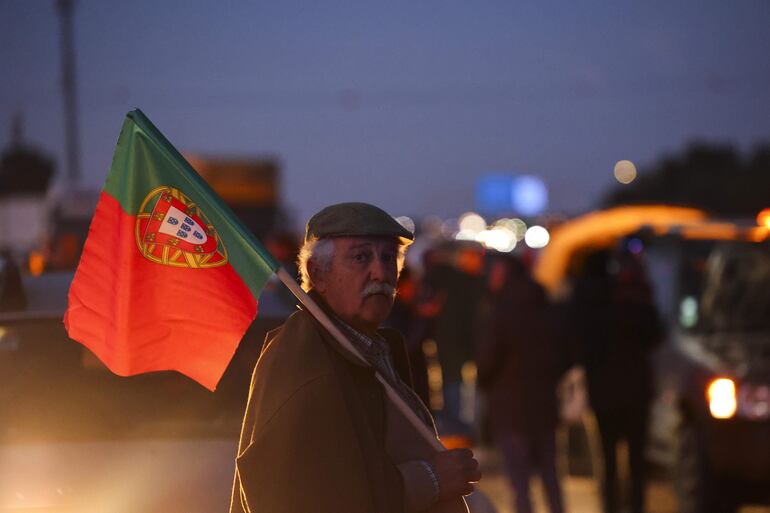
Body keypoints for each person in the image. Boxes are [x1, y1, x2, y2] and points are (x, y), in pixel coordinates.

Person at [230, 202, 481, 513]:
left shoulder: (368, 347)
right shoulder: (304, 360)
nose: (380, 271)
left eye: (389, 258)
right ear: (317, 273)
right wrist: (430, 478)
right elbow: (294, 495)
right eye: (361, 257)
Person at [569, 248, 662, 513]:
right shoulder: (635, 299)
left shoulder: (587, 304)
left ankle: (610, 506)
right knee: (636, 459)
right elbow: (655, 335)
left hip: (603, 392)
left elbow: (578, 345)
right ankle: (636, 507)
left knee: (607, 458)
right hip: (637, 391)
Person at [476, 255, 565, 513]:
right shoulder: (547, 308)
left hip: (510, 406)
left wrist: (484, 380)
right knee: (551, 475)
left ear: (504, 276)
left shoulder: (501, 312)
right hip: (544, 404)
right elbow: (563, 354)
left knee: (520, 482)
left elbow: (488, 360)